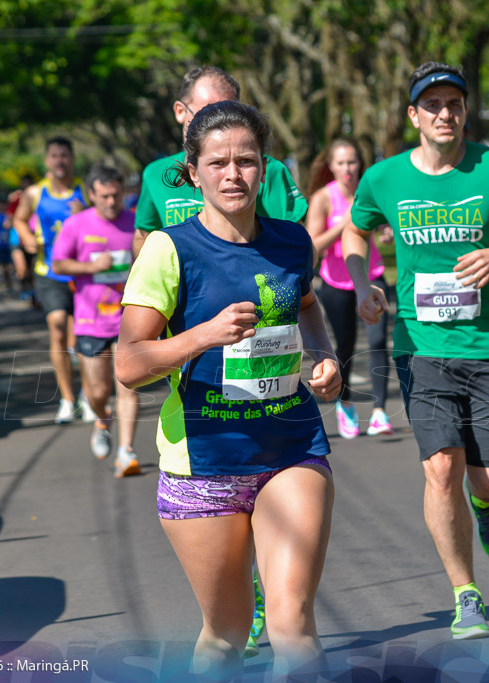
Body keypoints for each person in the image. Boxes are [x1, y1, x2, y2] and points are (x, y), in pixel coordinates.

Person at [116, 101, 340, 677]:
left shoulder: (292, 243)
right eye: (218, 163)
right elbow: (130, 363)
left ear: (264, 167)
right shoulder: (169, 250)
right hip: (203, 463)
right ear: (193, 172)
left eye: (246, 160)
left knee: (292, 623)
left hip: (291, 446)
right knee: (227, 633)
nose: (233, 174)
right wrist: (203, 336)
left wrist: (325, 358)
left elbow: (308, 306)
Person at [342, 62, 489, 640]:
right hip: (421, 345)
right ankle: (467, 594)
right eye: (431, 104)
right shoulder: (384, 179)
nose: (444, 113)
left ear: (464, 111)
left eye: (453, 103)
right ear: (413, 115)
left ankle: (485, 506)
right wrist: (363, 283)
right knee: (440, 470)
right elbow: (355, 230)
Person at [131, 65, 308, 258]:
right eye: (206, 111)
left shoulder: (267, 170)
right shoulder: (155, 174)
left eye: (231, 113)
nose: (218, 121)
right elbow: (143, 236)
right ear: (180, 111)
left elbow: (300, 247)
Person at [52, 165, 142, 477]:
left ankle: (126, 450)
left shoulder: (135, 222)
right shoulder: (77, 224)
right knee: (98, 391)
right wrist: (91, 267)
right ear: (91, 194)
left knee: (128, 386)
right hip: (90, 321)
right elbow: (58, 263)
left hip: (129, 318)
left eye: (117, 194)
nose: (111, 201)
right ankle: (102, 421)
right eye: (104, 195)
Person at [305, 138, 394, 439]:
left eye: (352, 162)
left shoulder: (370, 190)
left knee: (378, 338)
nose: (347, 169)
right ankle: (346, 405)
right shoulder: (323, 198)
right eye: (341, 163)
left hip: (372, 275)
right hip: (335, 281)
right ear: (331, 165)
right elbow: (312, 245)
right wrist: (343, 225)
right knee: (345, 345)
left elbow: (385, 224)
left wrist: (387, 231)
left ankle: (380, 412)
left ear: (360, 164)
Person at [12, 137, 94, 423]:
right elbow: (19, 219)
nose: (59, 161)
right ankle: (67, 399)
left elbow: (104, 220)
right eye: (54, 156)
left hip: (83, 273)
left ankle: (88, 395)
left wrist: (84, 215)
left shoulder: (85, 191)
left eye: (64, 156)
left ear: (72, 159)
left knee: (84, 336)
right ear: (47, 161)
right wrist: (24, 238)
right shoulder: (35, 193)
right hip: (49, 272)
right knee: (57, 325)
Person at [7, 174, 37, 302]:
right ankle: (25, 289)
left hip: (35, 238)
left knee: (33, 268)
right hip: (16, 239)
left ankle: (34, 292)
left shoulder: (39, 196)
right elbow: (10, 219)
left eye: (28, 185)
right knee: (22, 268)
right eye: (23, 185)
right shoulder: (16, 199)